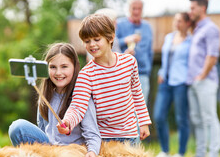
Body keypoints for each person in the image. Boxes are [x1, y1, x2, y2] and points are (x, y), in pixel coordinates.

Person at [57, 14, 151, 144]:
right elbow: (78, 105)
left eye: (96, 39)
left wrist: (144, 122)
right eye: (87, 41)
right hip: (104, 139)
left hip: (131, 134)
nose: (92, 45)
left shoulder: (129, 62)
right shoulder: (86, 74)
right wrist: (68, 121)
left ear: (111, 37)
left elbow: (137, 94)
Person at [8, 43, 101, 157]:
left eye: (64, 67)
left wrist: (92, 152)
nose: (58, 73)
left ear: (74, 67)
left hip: (71, 154)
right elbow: (42, 129)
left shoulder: (81, 97)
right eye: (52, 67)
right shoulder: (45, 96)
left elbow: (93, 134)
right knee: (17, 127)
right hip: (49, 150)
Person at [187, 0, 220, 157]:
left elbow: (212, 56)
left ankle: (213, 154)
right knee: (197, 119)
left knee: (209, 117)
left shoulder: (211, 29)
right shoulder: (197, 29)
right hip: (193, 82)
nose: (190, 11)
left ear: (202, 8)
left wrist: (202, 75)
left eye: (193, 8)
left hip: (206, 81)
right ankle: (200, 154)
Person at [154, 12, 192, 157]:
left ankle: (181, 153)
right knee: (159, 116)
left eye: (180, 21)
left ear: (187, 23)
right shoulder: (169, 37)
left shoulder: (191, 41)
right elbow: (165, 59)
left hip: (181, 82)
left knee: (181, 118)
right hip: (165, 81)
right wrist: (161, 72)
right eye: (175, 20)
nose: (177, 23)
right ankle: (165, 151)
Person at [116, 0, 153, 103]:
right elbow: (111, 43)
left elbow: (150, 51)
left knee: (141, 109)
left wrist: (148, 69)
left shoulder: (147, 27)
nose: (136, 11)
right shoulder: (119, 24)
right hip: (123, 74)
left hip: (142, 74)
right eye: (134, 8)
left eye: (139, 9)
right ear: (128, 9)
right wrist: (126, 40)